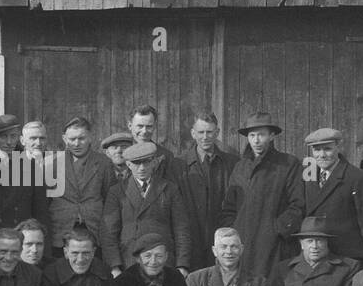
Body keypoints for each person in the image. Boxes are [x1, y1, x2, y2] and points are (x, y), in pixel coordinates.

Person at [218, 112, 305, 279]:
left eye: (261, 135)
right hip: (243, 244)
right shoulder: (240, 167)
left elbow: (298, 205)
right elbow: (229, 207)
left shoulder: (287, 164)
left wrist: (276, 229)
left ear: (272, 136)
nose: (256, 140)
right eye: (252, 135)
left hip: (274, 246)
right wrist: (235, 231)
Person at [101, 140, 191, 274]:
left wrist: (182, 265)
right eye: (137, 163)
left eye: (146, 162)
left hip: (163, 261)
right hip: (129, 261)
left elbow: (181, 229)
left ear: (154, 162)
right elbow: (109, 233)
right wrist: (115, 267)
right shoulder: (117, 192)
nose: (142, 168)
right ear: (128, 164)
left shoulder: (169, 189)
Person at [300, 126, 363, 265]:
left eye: (327, 149)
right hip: (318, 257)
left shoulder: (358, 178)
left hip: (347, 258)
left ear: (338, 147)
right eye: (317, 150)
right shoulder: (309, 177)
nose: (322, 155)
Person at [167, 112, 232, 271]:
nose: (205, 137)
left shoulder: (231, 163)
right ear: (193, 133)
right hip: (189, 241)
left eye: (209, 132)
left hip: (221, 241)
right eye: (201, 132)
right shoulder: (177, 165)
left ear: (217, 133)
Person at [50, 116, 118, 259]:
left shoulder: (104, 163)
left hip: (94, 228)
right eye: (72, 139)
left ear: (90, 138)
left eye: (81, 138)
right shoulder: (52, 164)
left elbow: (111, 199)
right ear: (64, 139)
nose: (76, 143)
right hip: (61, 229)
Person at [0, 114, 51, 242]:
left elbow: (41, 211)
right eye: (3, 136)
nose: (9, 142)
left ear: (19, 138)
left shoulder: (30, 167)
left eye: (13, 136)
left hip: (23, 238)